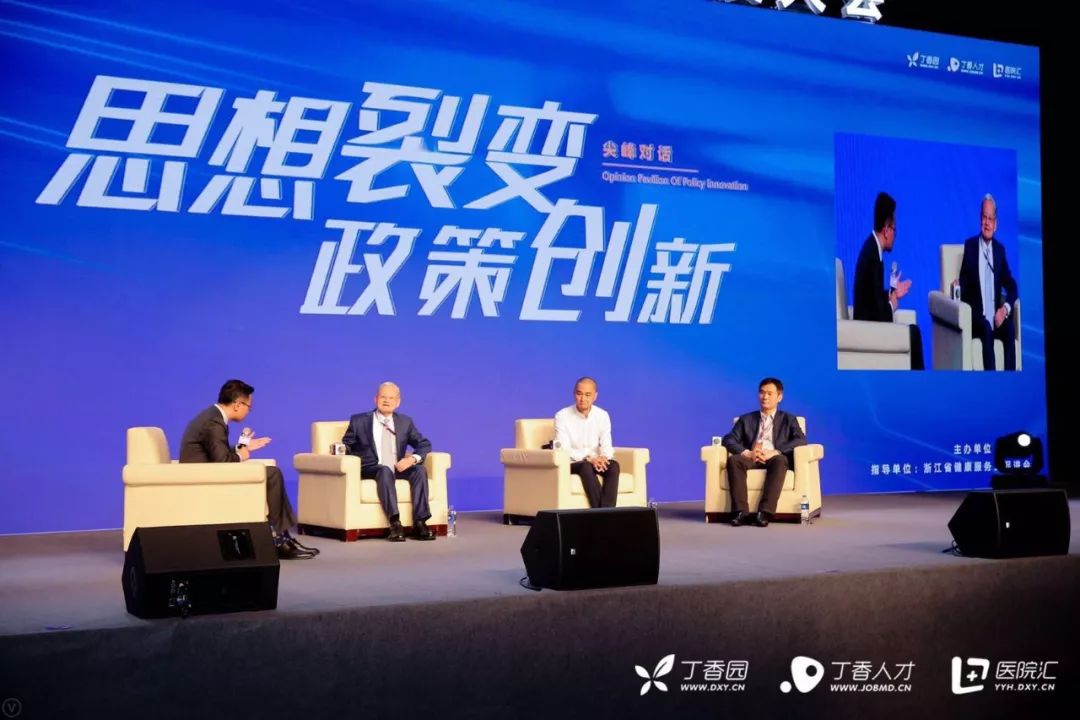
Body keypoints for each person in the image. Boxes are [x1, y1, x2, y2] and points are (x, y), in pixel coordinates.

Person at [179, 379, 317, 559]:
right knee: (272, 474)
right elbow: (222, 461)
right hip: (204, 480)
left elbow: (215, 452)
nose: (248, 411)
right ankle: (279, 540)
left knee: (270, 473)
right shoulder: (214, 422)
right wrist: (240, 456)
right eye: (249, 407)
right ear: (238, 405)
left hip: (207, 474)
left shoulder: (212, 416)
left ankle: (283, 537)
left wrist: (241, 448)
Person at [342, 382, 435, 541]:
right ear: (375, 399)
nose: (387, 401)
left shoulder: (405, 422)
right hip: (371, 468)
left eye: (391, 398)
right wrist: (344, 453)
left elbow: (424, 444)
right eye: (383, 397)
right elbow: (347, 445)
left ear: (398, 402)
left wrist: (412, 459)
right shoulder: (359, 420)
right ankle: (395, 523)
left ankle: (420, 523)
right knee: (384, 469)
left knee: (419, 470)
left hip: (396, 467)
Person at [853, 191, 925, 370]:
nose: (895, 235)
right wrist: (892, 305)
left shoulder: (871, 250)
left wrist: (892, 294)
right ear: (886, 230)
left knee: (912, 331)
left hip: (868, 327)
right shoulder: (872, 257)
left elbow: (872, 297)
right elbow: (875, 313)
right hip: (868, 332)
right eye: (895, 230)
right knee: (914, 333)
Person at [722, 377, 807, 528]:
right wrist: (747, 452)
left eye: (769, 393)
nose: (764, 397)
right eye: (761, 392)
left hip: (774, 458)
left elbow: (800, 439)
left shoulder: (789, 419)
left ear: (779, 397)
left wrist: (776, 451)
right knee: (734, 460)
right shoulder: (746, 419)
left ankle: (765, 512)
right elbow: (728, 439)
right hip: (752, 457)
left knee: (780, 460)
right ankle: (740, 512)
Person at [958, 193, 1019, 371]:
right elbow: (963, 286)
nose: (987, 223)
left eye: (990, 219)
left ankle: (1010, 382)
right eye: (984, 217)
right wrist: (958, 285)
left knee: (1009, 329)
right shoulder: (970, 247)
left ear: (996, 223)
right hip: (978, 319)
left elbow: (1012, 286)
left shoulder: (999, 251)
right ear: (980, 219)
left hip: (996, 317)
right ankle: (991, 381)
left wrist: (1005, 309)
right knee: (985, 328)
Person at [553, 377, 620, 508]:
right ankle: (602, 515)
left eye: (588, 395)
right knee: (586, 467)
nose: (583, 399)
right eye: (579, 394)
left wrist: (603, 458)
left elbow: (606, 443)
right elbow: (564, 450)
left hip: (595, 461)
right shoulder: (562, 416)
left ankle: (606, 514)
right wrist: (589, 458)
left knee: (613, 466)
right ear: (574, 394)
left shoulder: (602, 415)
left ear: (595, 396)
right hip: (573, 462)